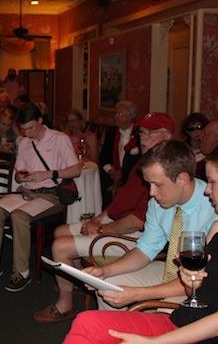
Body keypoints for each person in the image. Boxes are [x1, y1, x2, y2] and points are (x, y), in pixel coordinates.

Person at [65, 141, 218, 344]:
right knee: (86, 321)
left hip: (211, 331)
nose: (207, 189)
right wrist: (191, 282)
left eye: (213, 182)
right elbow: (151, 253)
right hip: (187, 316)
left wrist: (151, 339)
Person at [34, 112, 175, 323]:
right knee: (60, 231)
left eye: (151, 133)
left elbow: (138, 222)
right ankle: (81, 282)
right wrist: (99, 219)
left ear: (167, 136)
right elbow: (120, 203)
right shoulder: (144, 162)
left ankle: (65, 303)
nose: (143, 138)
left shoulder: (163, 173)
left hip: (133, 234)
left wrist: (100, 229)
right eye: (142, 132)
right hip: (118, 223)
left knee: (60, 247)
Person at [86, 139, 218, 311]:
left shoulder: (216, 208)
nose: (151, 192)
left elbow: (204, 278)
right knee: (109, 285)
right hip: (171, 270)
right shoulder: (157, 204)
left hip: (201, 283)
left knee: (166, 313)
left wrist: (138, 294)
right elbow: (145, 250)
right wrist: (105, 271)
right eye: (148, 184)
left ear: (182, 179)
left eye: (157, 184)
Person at [0, 103, 82, 292]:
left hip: (51, 195)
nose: (28, 133)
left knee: (19, 216)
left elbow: (76, 170)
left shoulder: (59, 139)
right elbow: (17, 174)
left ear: (40, 120)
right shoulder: (24, 142)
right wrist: (20, 176)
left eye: (31, 128)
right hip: (27, 192)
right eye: (24, 129)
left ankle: (22, 272)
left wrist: (49, 174)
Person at [99, 101, 142, 205]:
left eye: (120, 114)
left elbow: (142, 160)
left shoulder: (139, 134)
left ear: (130, 117)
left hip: (133, 179)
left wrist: (124, 174)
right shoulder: (111, 132)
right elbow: (103, 157)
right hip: (112, 177)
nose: (116, 117)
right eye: (115, 114)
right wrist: (111, 171)